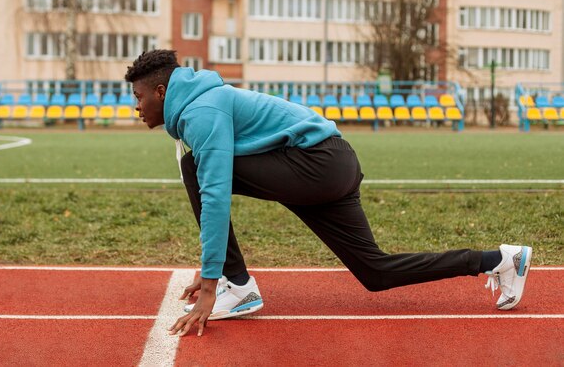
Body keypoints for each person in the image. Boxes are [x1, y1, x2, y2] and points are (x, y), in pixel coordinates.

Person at [125, 49, 532, 338]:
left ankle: (238, 285)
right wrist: (210, 267)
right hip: (327, 165)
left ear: (161, 91)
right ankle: (501, 260)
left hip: (318, 164)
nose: (136, 107)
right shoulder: (201, 108)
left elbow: (215, 193)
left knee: (194, 167)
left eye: (139, 97)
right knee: (375, 272)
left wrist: (212, 281)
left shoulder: (202, 112)